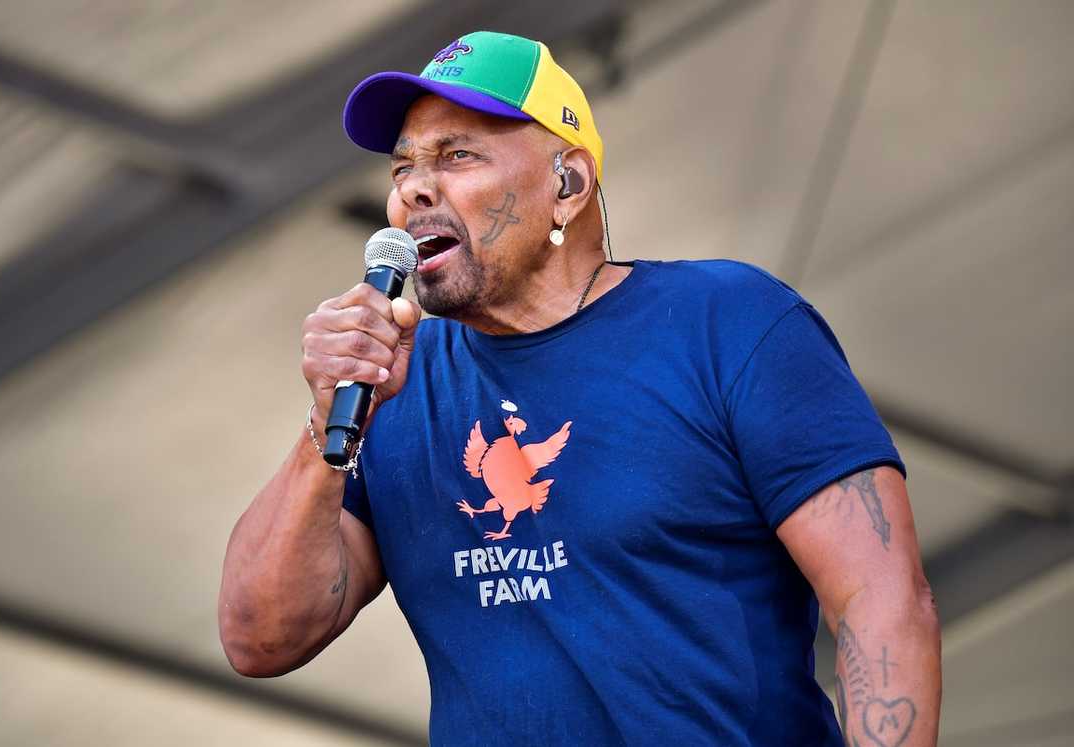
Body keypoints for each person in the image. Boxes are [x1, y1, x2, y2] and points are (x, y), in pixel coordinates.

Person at [219, 31, 941, 746]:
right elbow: (259, 639)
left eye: (457, 154)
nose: (412, 187)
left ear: (567, 184)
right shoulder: (395, 386)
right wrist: (327, 424)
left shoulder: (729, 323)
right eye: (402, 165)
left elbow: (880, 601)